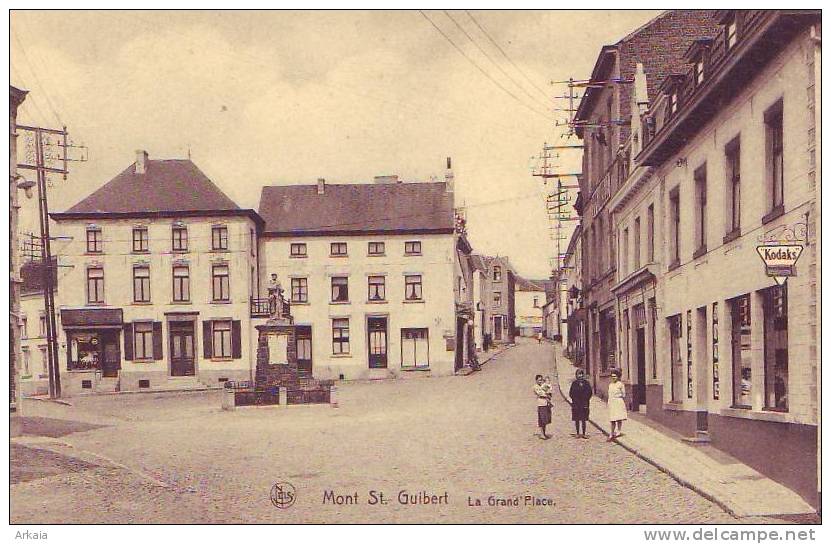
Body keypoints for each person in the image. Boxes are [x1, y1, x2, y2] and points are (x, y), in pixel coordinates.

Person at [568, 368, 592, 439]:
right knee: (577, 419)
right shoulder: (574, 383)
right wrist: (575, 400)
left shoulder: (586, 383)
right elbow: (571, 393)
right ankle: (578, 433)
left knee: (584, 419)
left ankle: (584, 433)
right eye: (579, 374)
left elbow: (590, 392)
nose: (580, 376)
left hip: (584, 403)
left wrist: (585, 399)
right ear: (576, 375)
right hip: (576, 404)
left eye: (581, 374)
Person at [607, 368, 627, 440]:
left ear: (618, 377)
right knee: (612, 419)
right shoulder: (610, 385)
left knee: (619, 418)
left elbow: (624, 394)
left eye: (615, 376)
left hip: (618, 402)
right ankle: (611, 433)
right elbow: (609, 394)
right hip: (612, 402)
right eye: (612, 376)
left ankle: (618, 431)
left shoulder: (620, 384)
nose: (613, 378)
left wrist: (617, 396)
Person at [533, 374, 552, 439]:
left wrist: (547, 393)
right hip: (541, 404)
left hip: (546, 404)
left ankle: (544, 433)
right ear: (536, 381)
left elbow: (550, 391)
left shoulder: (544, 385)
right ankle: (541, 434)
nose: (540, 381)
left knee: (545, 420)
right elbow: (540, 393)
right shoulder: (535, 387)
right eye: (539, 380)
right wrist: (547, 394)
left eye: (541, 380)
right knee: (541, 420)